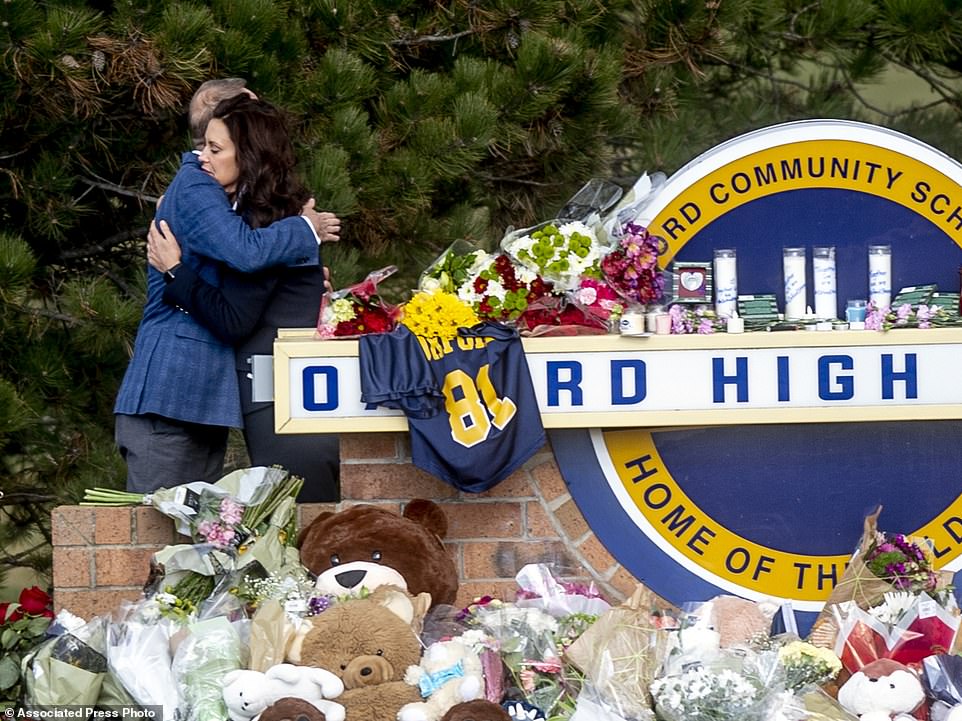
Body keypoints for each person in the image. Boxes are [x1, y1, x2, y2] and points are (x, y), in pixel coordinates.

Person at [115, 86, 340, 494]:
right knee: (152, 539)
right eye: (208, 144)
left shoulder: (234, 200)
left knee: (191, 544)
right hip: (170, 395)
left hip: (200, 402)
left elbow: (244, 281)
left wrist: (297, 279)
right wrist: (306, 228)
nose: (205, 156)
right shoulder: (197, 183)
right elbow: (245, 253)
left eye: (217, 148)